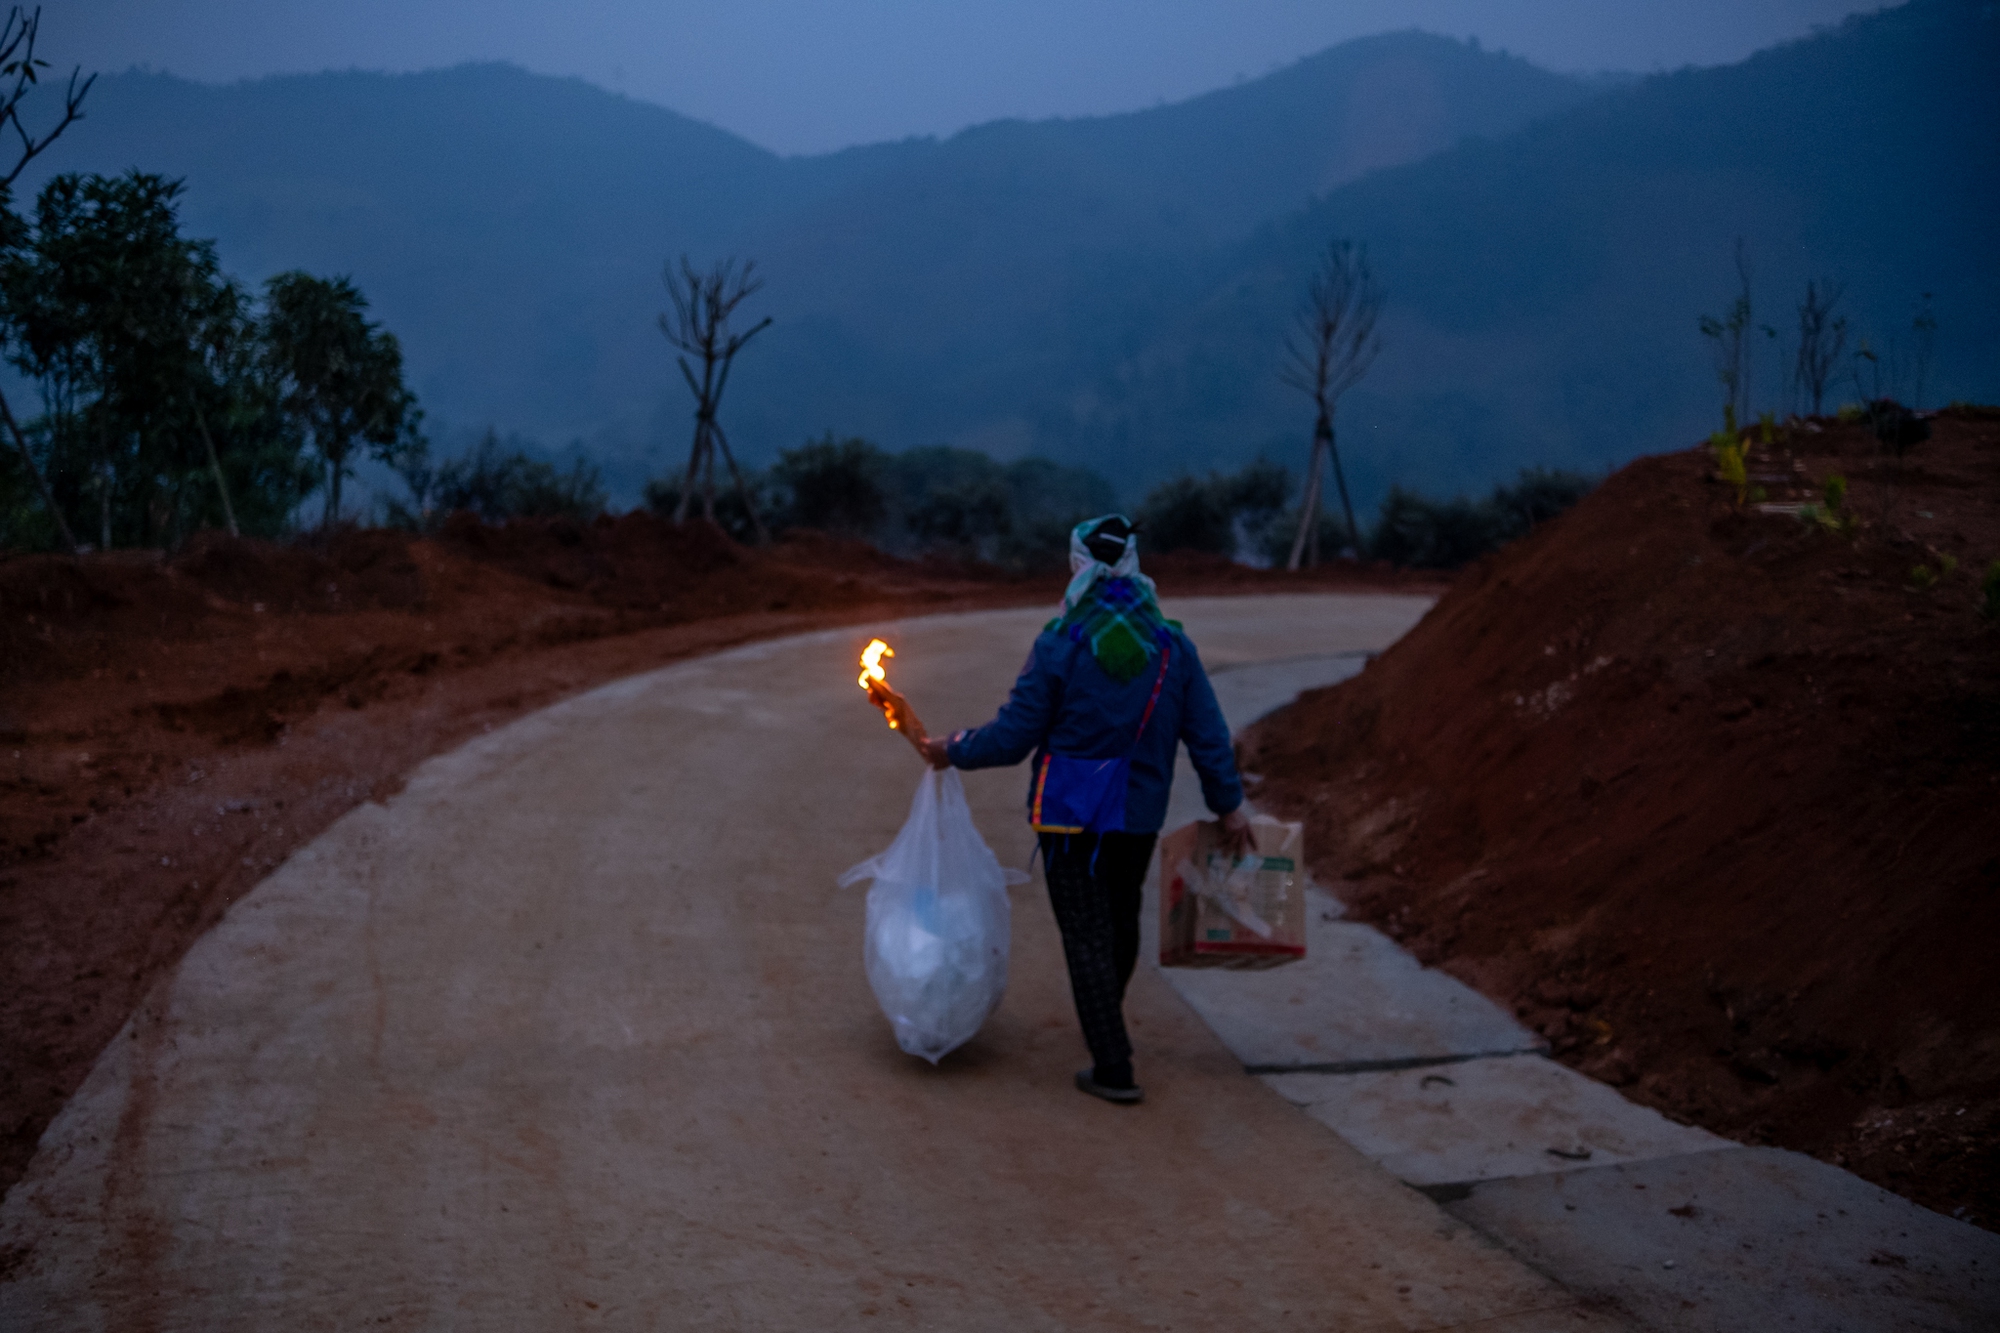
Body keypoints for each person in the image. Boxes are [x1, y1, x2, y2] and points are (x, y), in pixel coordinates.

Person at [921, 514, 1253, 1105]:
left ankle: (1113, 1063)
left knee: (1085, 935)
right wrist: (1229, 806)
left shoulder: (1060, 642)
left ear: (1078, 565)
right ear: (1132, 564)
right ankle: (1107, 1022)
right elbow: (1207, 734)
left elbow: (1013, 736)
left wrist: (954, 750)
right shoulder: (1173, 646)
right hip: (1138, 813)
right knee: (1119, 921)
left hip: (1068, 812)